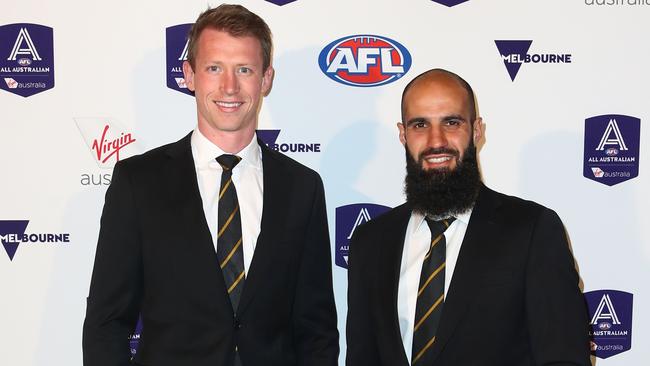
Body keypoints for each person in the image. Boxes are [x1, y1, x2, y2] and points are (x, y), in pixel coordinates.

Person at [82, 5, 339, 366]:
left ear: (266, 79)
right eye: (214, 68)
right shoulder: (138, 183)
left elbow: (318, 330)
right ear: (189, 75)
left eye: (244, 70)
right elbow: (105, 325)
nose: (229, 87)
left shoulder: (302, 188)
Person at [346, 68, 590, 366]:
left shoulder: (532, 231)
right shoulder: (370, 242)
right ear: (403, 134)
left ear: (476, 130)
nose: (436, 141)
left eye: (451, 122)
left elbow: (564, 358)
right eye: (420, 124)